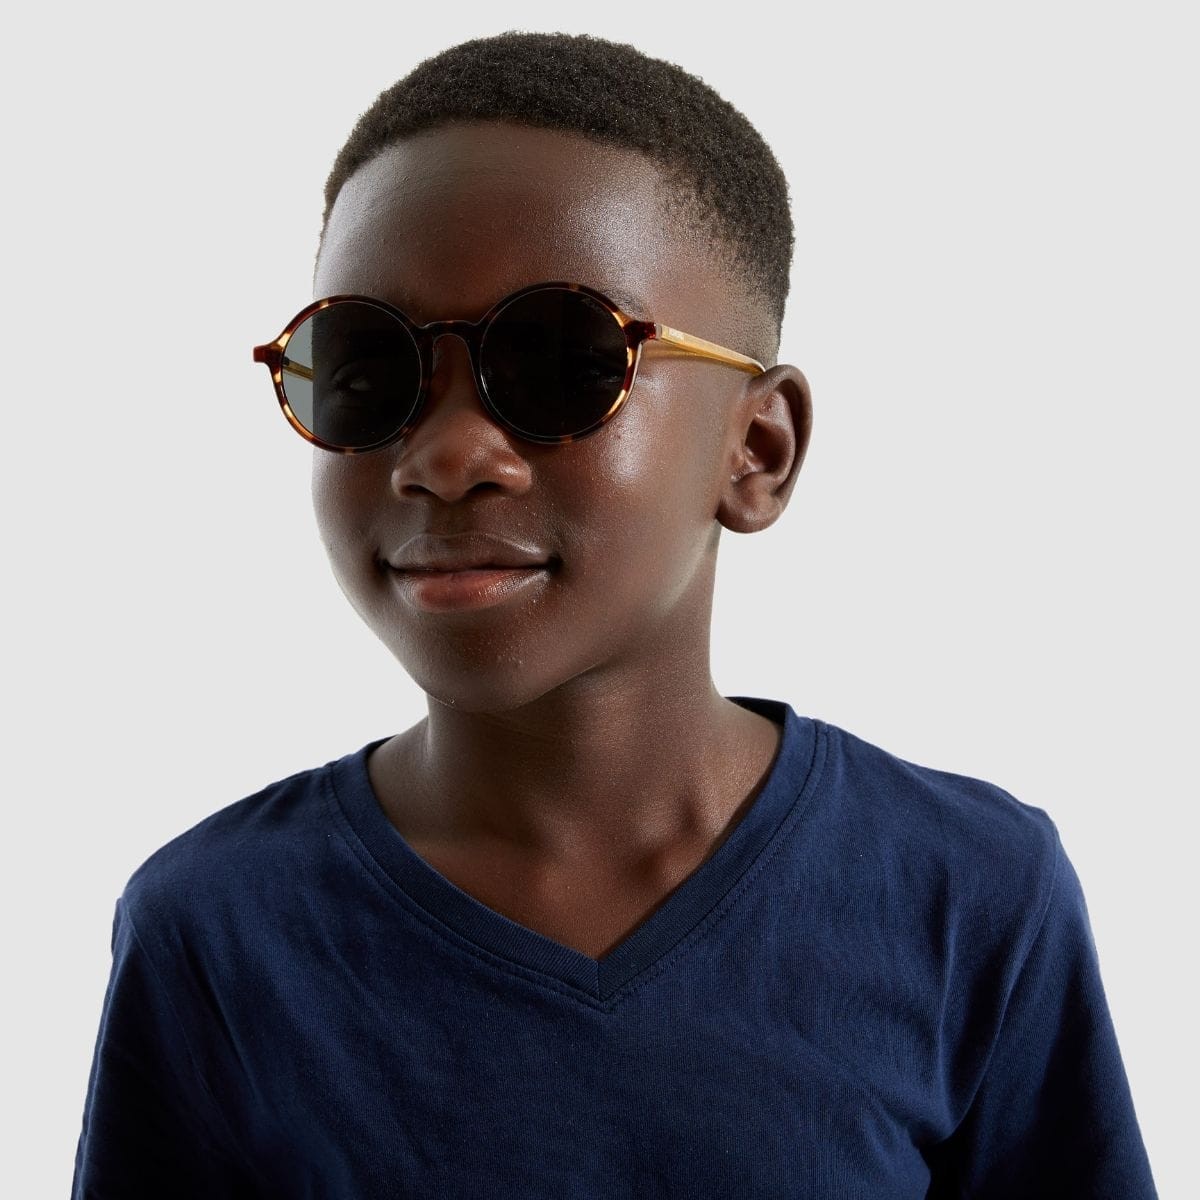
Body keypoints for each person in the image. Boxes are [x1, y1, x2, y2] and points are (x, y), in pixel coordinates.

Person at [71, 30, 1158, 1199]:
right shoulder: (215, 931)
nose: (445, 456)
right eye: (366, 370)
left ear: (758, 450)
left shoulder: (969, 894)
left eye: (560, 364)